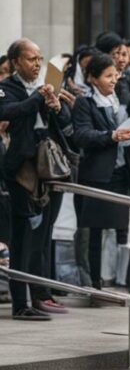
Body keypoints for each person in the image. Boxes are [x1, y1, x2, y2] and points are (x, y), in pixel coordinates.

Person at [0, 39, 73, 320]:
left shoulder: (45, 88)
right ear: (16, 61)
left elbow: (65, 124)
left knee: (43, 236)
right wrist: (38, 98)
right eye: (31, 59)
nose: (37, 64)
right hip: (21, 171)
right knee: (21, 238)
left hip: (48, 169)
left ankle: (41, 294)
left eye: (40, 59)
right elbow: (9, 112)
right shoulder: (8, 88)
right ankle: (21, 303)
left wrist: (55, 104)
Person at [71, 53, 130, 290]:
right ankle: (95, 283)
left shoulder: (120, 100)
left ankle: (119, 278)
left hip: (122, 170)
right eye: (108, 75)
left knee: (122, 226)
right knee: (95, 229)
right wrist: (110, 136)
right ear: (93, 78)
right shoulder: (85, 103)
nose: (114, 80)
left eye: (116, 75)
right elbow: (81, 135)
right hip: (97, 173)